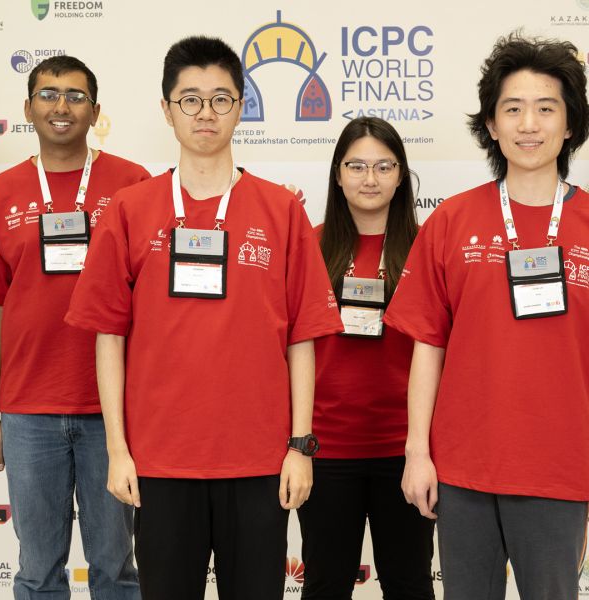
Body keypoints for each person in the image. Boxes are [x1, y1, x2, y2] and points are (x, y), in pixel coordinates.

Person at [64, 36, 343, 600]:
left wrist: (300, 445)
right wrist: (118, 450)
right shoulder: (130, 209)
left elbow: (303, 339)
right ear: (166, 110)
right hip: (161, 461)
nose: (206, 113)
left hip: (260, 459)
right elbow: (109, 336)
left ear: (241, 107)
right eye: (189, 99)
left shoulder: (281, 210)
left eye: (221, 98)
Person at [384, 32, 589, 600]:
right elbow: (428, 345)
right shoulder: (451, 221)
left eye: (546, 109)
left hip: (560, 469)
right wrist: (418, 453)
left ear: (569, 125)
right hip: (463, 471)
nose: (529, 124)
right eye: (513, 108)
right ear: (492, 126)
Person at [0, 55, 149, 599]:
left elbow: (151, 305)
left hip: (112, 412)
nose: (62, 106)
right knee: (36, 570)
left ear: (96, 110)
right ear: (28, 108)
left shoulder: (132, 184)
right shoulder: (0, 192)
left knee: (116, 567)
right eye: (49, 93)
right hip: (27, 408)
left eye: (76, 96)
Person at [297, 116, 435, 600]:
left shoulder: (427, 247)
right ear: (337, 174)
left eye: (383, 166)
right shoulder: (309, 246)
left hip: (406, 451)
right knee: (325, 585)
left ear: (401, 175)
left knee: (411, 584)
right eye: (356, 166)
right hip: (327, 449)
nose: (369, 178)